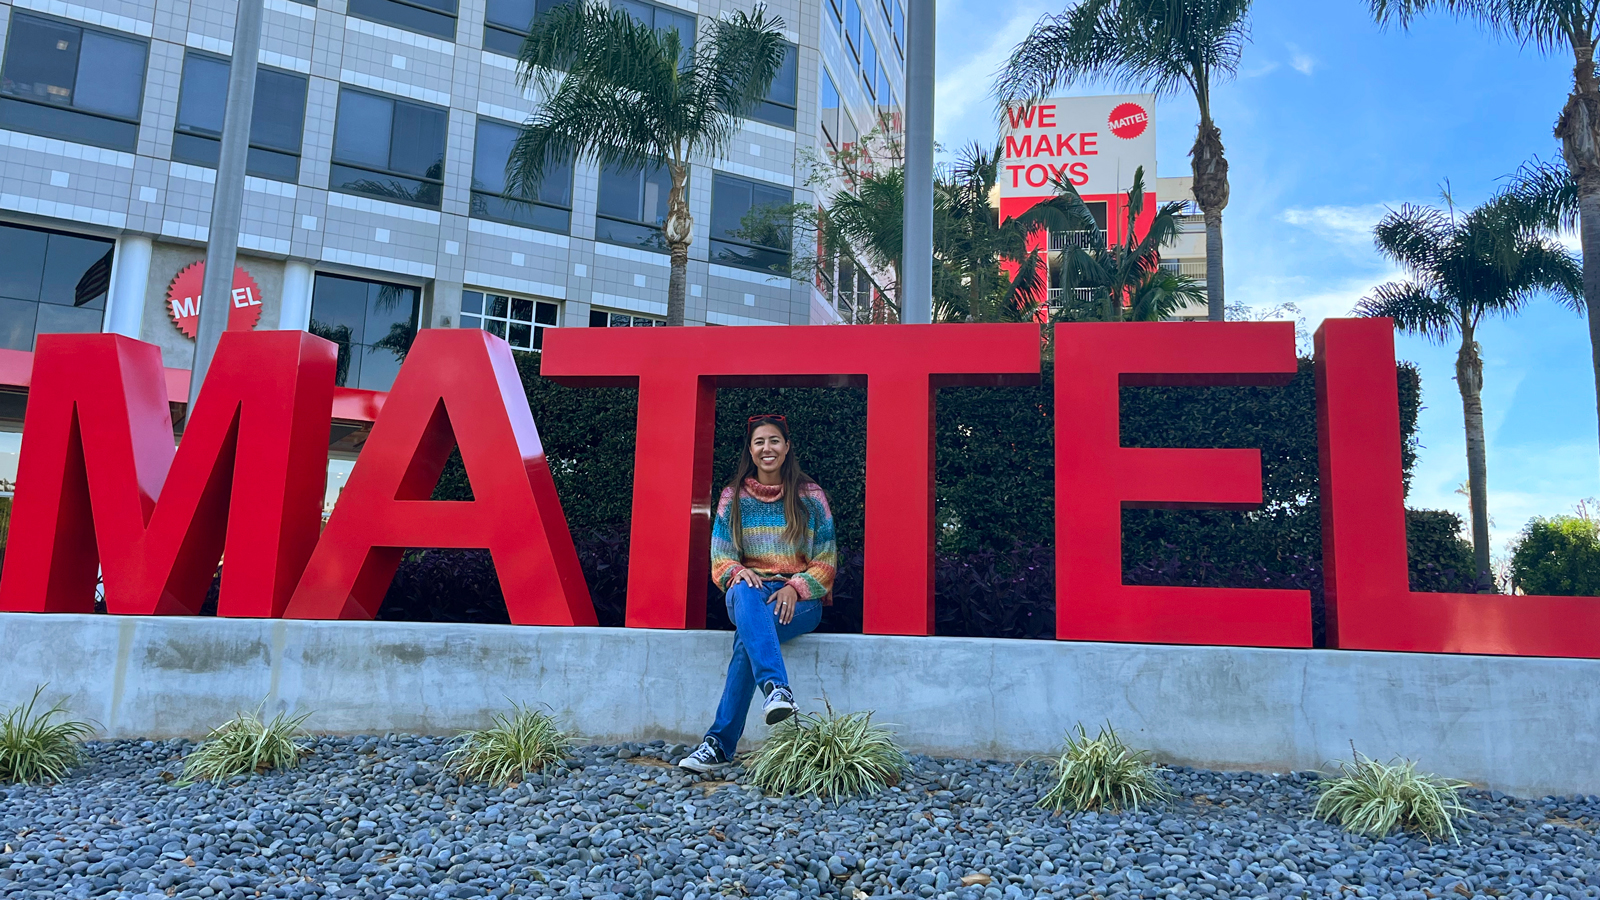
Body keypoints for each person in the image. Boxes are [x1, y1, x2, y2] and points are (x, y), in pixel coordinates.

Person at [677, 414, 837, 773]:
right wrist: (738, 571)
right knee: (747, 591)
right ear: (750, 450)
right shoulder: (733, 498)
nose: (768, 448)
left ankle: (718, 745)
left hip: (800, 602)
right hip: (749, 593)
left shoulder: (810, 497)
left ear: (787, 447)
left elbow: (826, 560)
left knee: (746, 642)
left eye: (774, 440)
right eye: (760, 442)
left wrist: (796, 587)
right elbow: (721, 558)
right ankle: (776, 690)